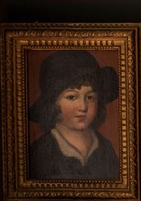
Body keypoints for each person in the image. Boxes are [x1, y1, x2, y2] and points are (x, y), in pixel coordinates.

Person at [27, 50, 121, 180]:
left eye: (90, 97)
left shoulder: (105, 147)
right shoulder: (40, 152)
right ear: (53, 103)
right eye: (71, 97)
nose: (83, 107)